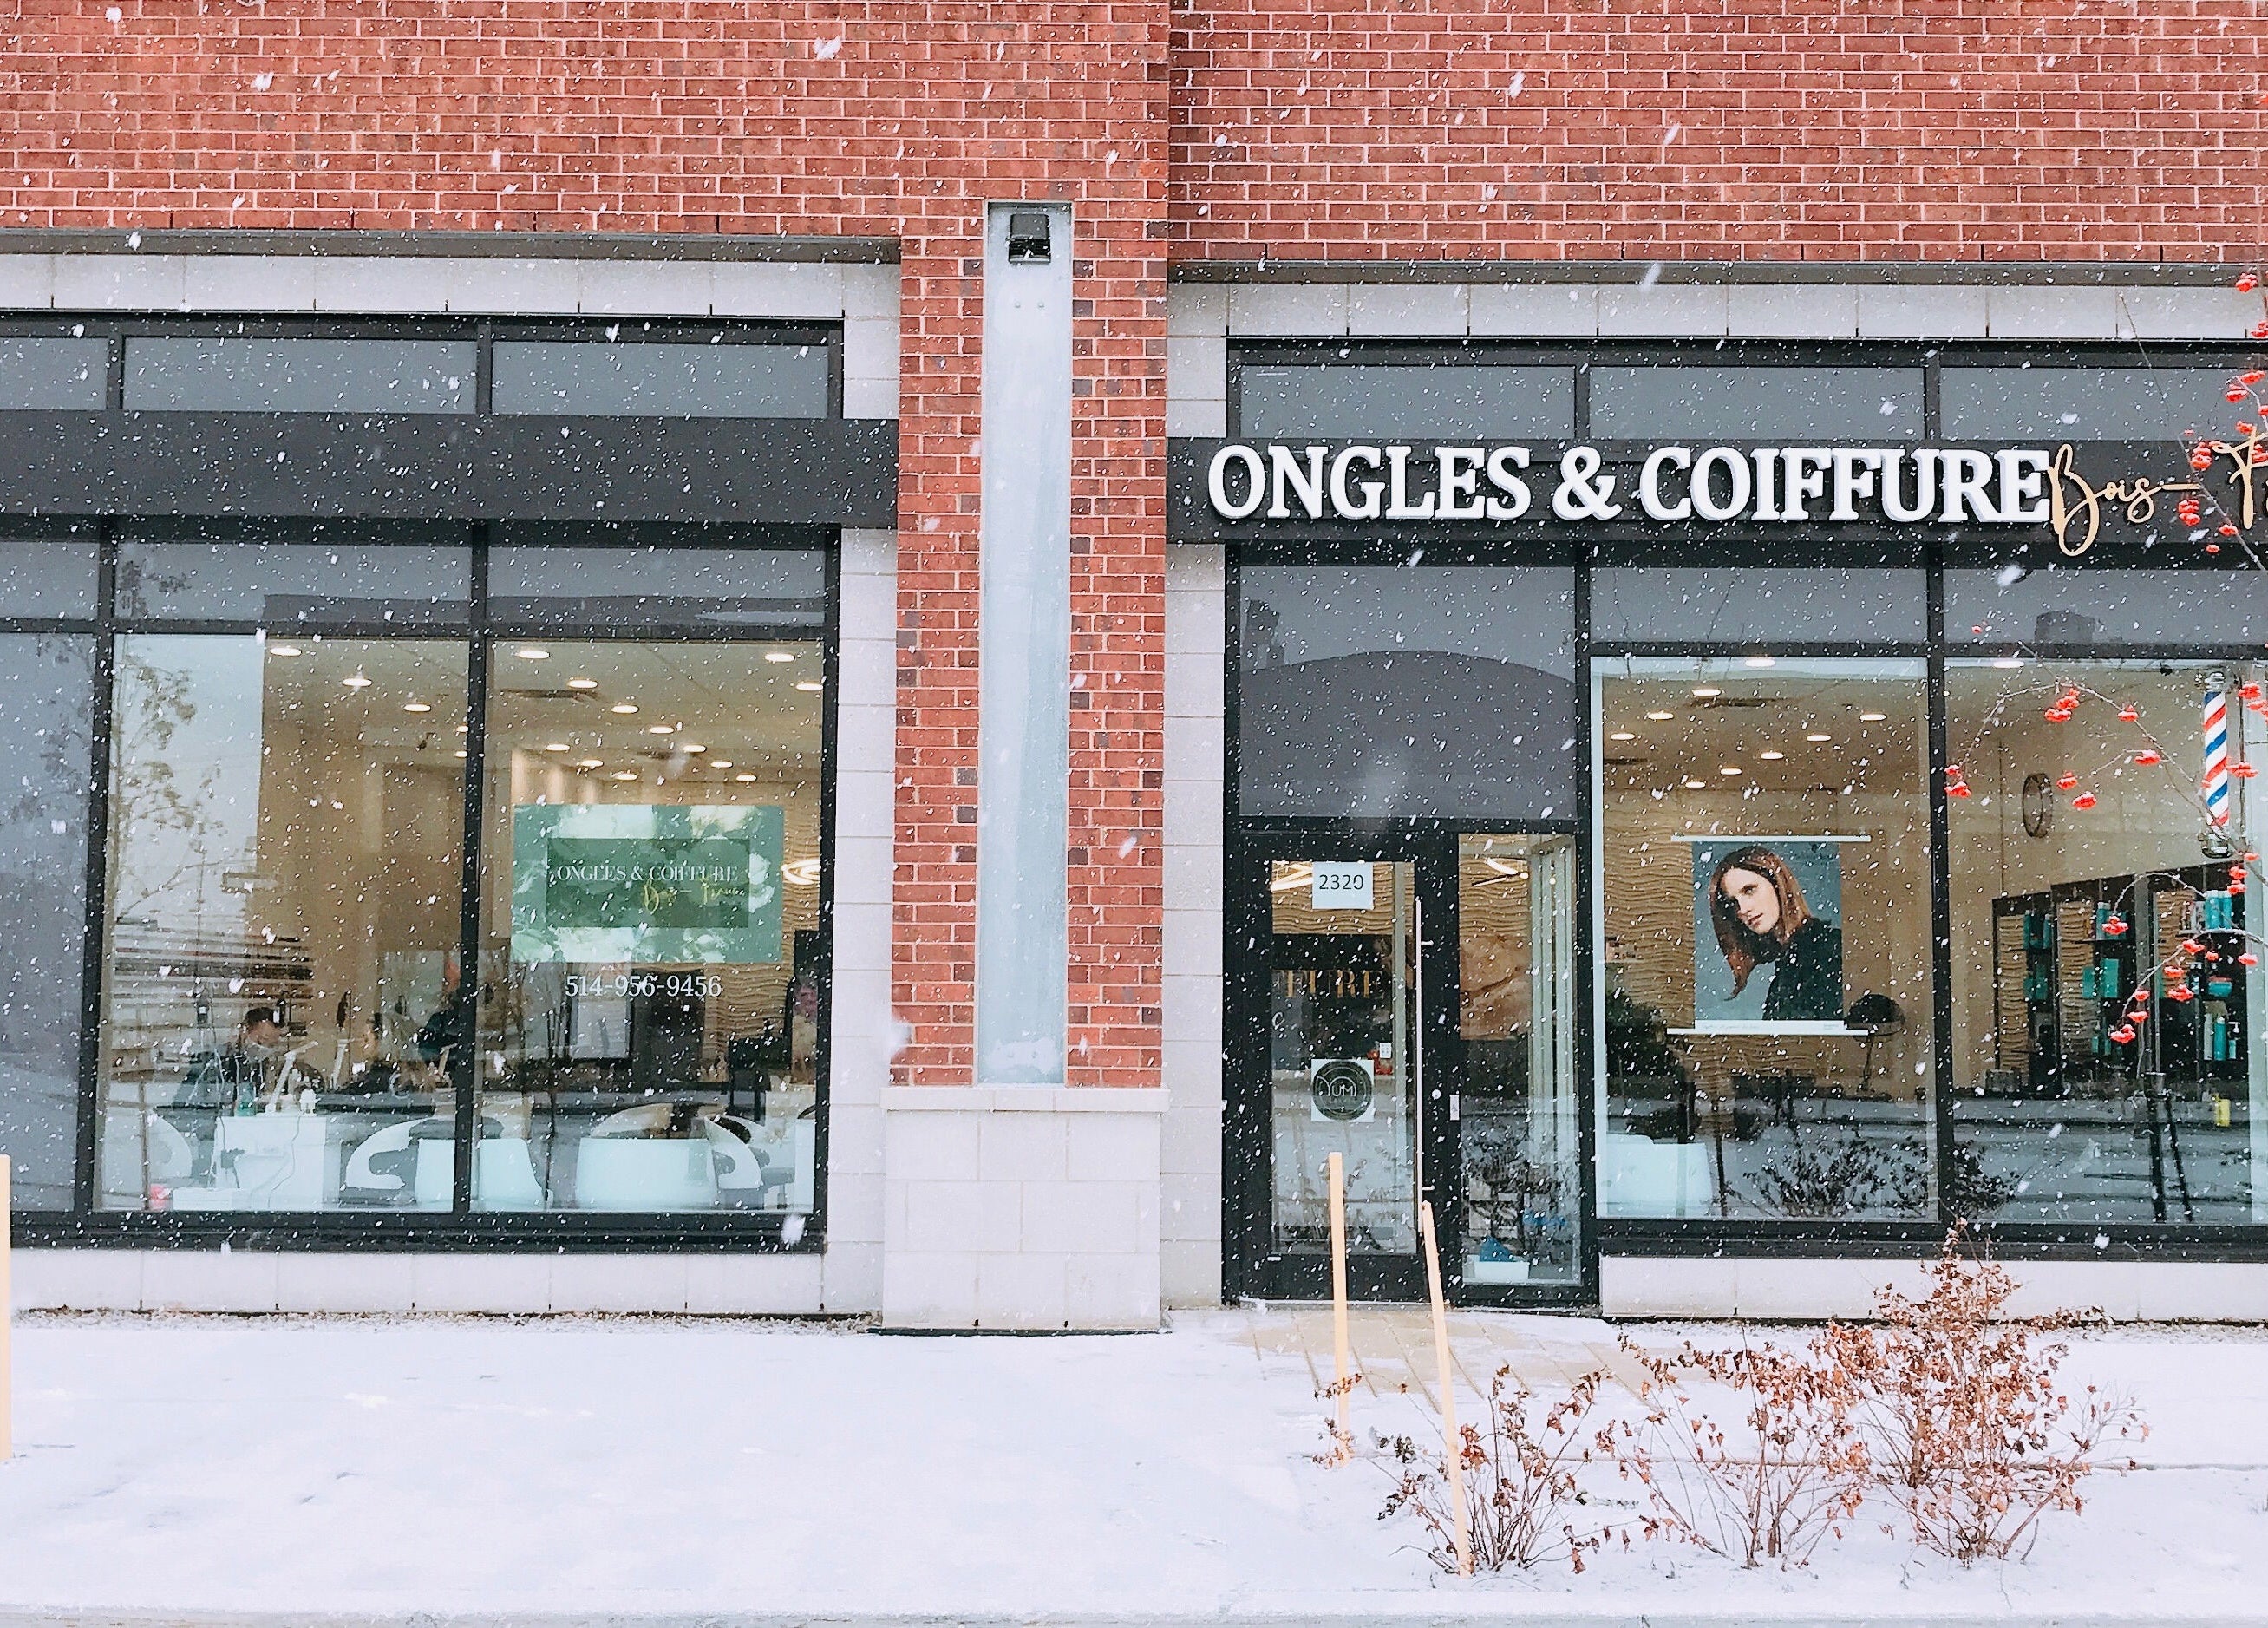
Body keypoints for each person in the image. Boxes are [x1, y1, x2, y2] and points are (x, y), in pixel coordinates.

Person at [1708, 845, 1843, 1021]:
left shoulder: (1828, 949)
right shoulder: (1788, 964)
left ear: (1777, 883)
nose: (1743, 909)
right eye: (1733, 902)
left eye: (1749, 890)